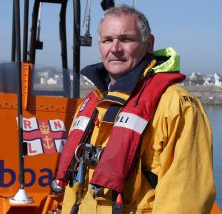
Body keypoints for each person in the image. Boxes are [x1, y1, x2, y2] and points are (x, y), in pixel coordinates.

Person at [55, 4, 216, 213]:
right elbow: (74, 191)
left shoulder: (176, 106)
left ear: (149, 44)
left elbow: (185, 199)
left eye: (125, 39)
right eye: (107, 40)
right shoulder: (93, 103)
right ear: (100, 45)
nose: (115, 48)